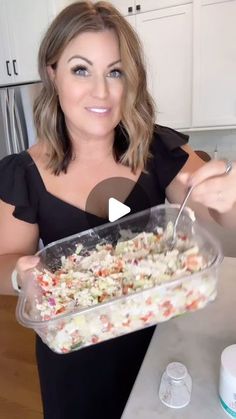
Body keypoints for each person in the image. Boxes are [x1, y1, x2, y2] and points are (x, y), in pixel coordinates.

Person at [0, 1, 235, 418]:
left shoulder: (156, 150)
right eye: (80, 69)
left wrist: (228, 197)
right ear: (52, 73)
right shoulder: (23, 175)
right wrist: (23, 276)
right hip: (74, 360)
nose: (102, 92)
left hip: (156, 342)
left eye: (115, 71)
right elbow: (3, 264)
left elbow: (220, 214)